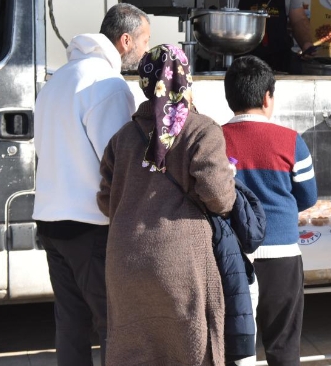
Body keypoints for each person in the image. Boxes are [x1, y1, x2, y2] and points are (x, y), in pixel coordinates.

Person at [97, 44, 237, 365]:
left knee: (135, 349)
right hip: (180, 262)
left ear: (145, 83)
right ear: (185, 78)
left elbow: (107, 201)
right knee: (189, 349)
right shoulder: (201, 130)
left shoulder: (122, 138)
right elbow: (220, 198)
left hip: (124, 262)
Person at [32, 3, 151, 366]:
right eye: (146, 41)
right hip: (90, 226)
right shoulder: (108, 85)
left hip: (51, 221)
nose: (147, 50)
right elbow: (118, 160)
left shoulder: (61, 78)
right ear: (126, 40)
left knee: (71, 327)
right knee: (116, 324)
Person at [222, 55, 318, 366]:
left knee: (233, 347)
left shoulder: (212, 139)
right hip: (282, 255)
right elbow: (307, 196)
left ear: (229, 98)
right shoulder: (291, 141)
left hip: (229, 257)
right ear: (267, 97)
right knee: (284, 346)